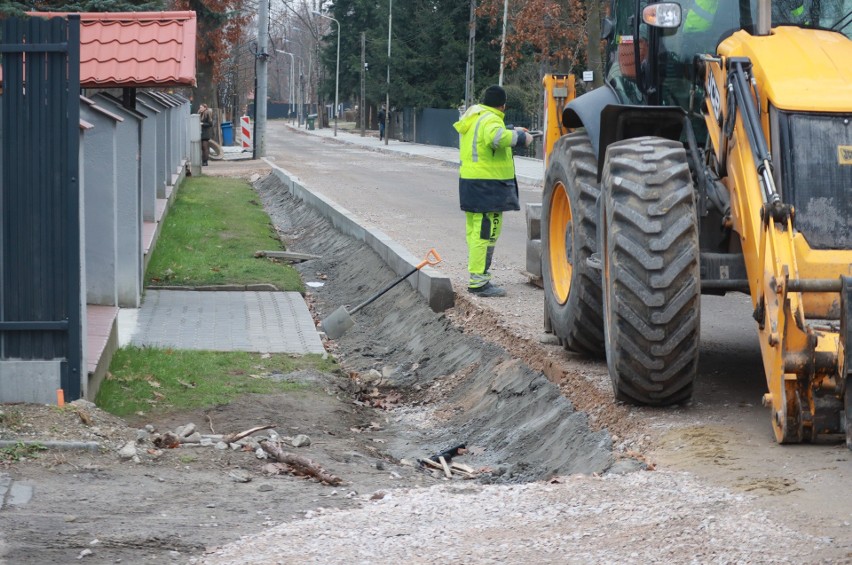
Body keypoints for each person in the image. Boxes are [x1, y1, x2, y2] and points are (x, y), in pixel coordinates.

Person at [453, 85, 532, 298]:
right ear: (502, 105)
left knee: (474, 231)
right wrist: (522, 138)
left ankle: (476, 274)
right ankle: (479, 281)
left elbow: (490, 135)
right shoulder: (492, 119)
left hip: (471, 182)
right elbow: (496, 138)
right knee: (486, 233)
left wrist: (513, 129)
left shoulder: (477, 115)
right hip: (488, 185)